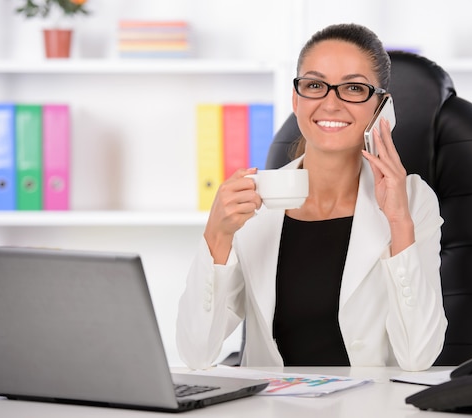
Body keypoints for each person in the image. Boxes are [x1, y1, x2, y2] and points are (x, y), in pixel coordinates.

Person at [176, 23, 447, 371]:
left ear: (381, 107)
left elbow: (418, 357)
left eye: (353, 88)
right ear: (296, 99)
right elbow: (196, 352)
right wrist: (217, 235)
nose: (330, 103)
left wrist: (398, 222)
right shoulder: (251, 200)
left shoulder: (411, 200)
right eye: (315, 85)